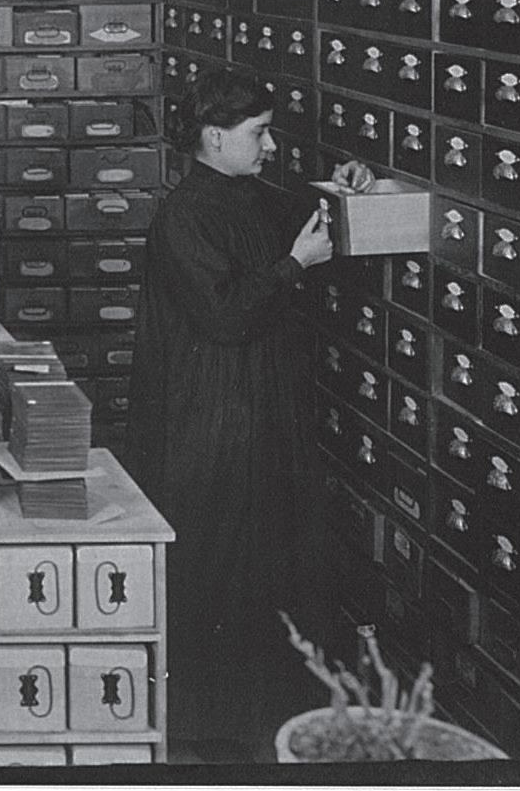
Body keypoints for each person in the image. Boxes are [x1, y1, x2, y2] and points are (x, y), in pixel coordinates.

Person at [121, 68, 373, 762]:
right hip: (210, 415)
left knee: (264, 555)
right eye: (258, 133)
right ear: (213, 137)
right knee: (219, 558)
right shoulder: (183, 216)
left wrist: (341, 187)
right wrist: (295, 264)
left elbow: (301, 214)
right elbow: (225, 314)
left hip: (258, 406)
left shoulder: (249, 193)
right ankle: (208, 730)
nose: (270, 145)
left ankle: (261, 719)